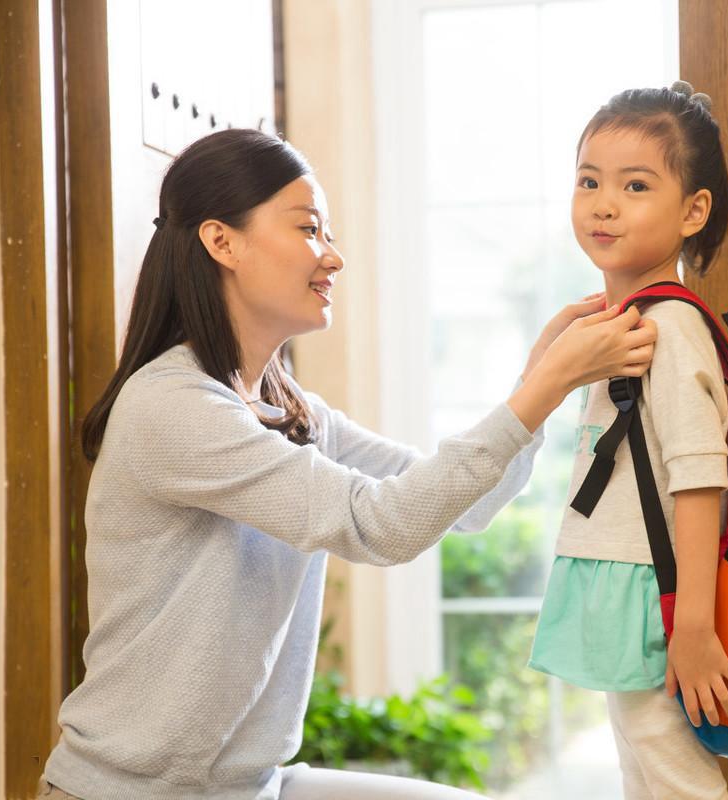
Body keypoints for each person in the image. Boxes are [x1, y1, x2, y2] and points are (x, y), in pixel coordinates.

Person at [36, 128, 657, 800]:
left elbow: (469, 505)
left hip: (250, 786)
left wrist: (539, 382)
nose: (332, 256)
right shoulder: (174, 406)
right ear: (222, 242)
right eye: (308, 229)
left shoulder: (291, 410)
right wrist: (545, 390)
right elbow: (380, 526)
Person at [527, 82, 728, 800]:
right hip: (629, 579)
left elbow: (698, 476)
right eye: (588, 180)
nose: (603, 203)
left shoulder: (670, 327)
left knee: (674, 778)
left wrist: (691, 625)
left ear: (693, 211)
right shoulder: (626, 322)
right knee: (643, 773)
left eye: (635, 184)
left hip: (657, 589)